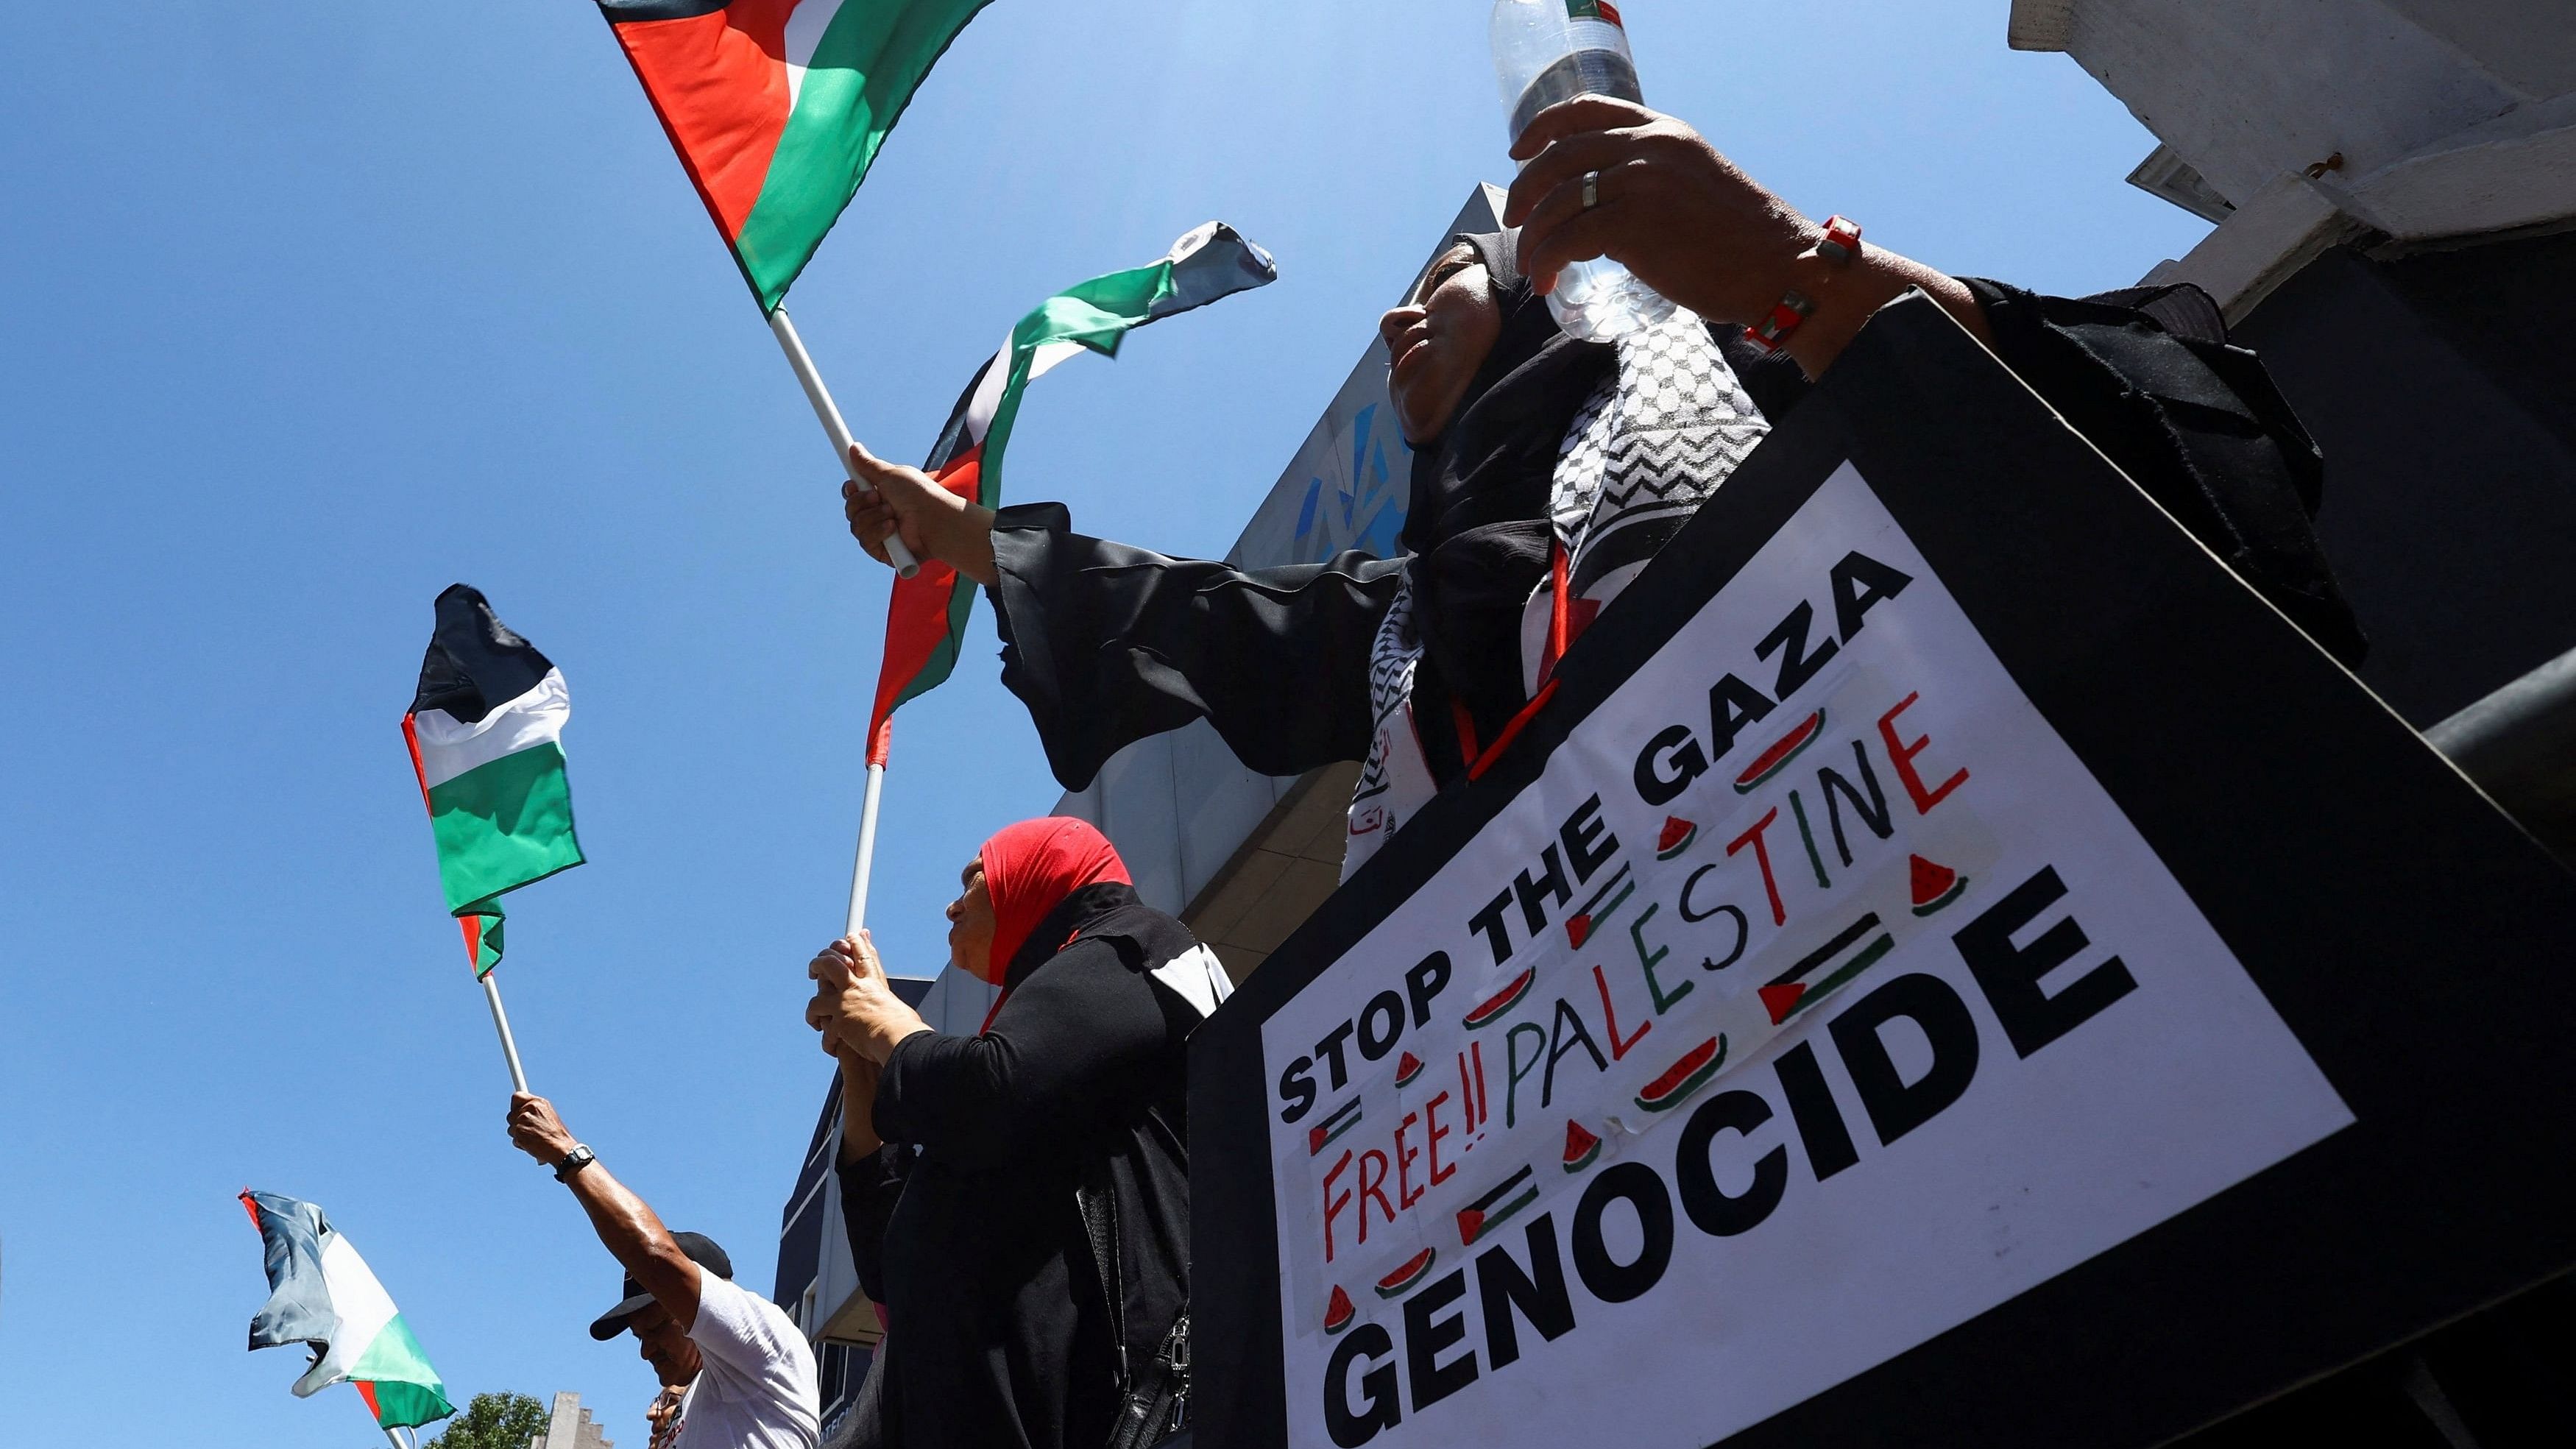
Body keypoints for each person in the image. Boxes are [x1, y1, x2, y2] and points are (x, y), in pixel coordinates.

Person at [839, 97, 2366, 875]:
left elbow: (2150, 438)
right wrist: (966, 537)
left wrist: (1792, 278)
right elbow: (1186, 613)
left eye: (1434, 286)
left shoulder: (1769, 378)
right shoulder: (1410, 634)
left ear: (1531, 299)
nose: (1390, 323)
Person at [804, 816, 1234, 1449]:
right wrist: (862, 1065)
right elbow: (887, 1259)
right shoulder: (1024, 1049)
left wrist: (884, 1020)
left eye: (972, 875)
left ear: (1038, 864)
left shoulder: (1134, 942)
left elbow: (993, 1088)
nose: (951, 903)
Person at [506, 1093, 821, 1449]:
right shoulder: (687, 1405)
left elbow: (655, 1256)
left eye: (655, 1328)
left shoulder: (763, 1338)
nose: (646, 1352)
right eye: (640, 1337)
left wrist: (563, 1150)